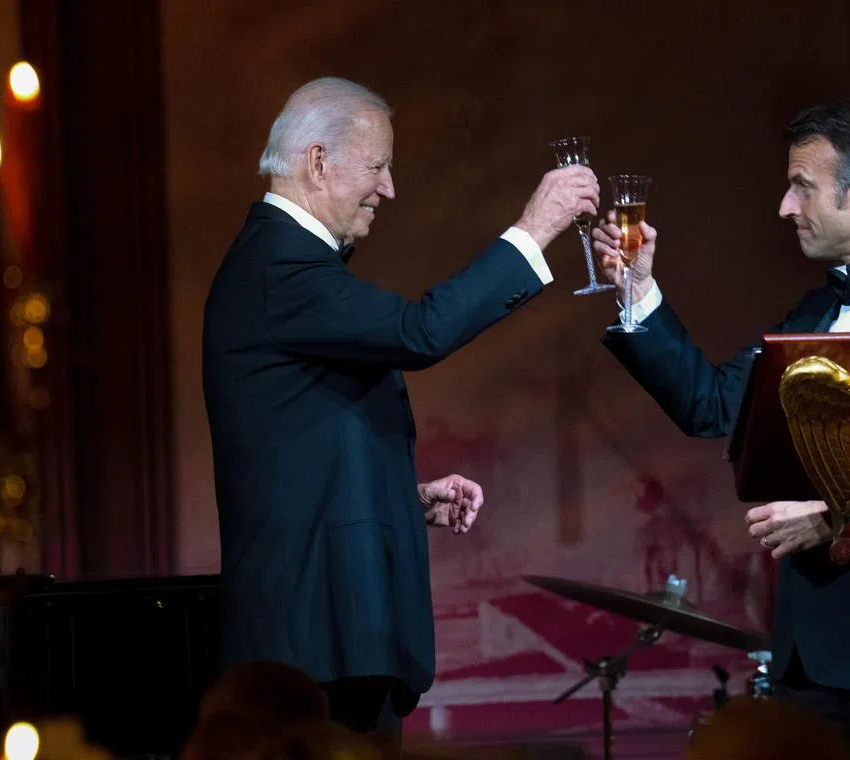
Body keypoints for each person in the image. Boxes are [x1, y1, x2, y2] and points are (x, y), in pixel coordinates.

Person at [591, 96, 850, 760]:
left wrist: (840, 520)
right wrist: (638, 292)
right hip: (806, 666)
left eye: (801, 186)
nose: (785, 208)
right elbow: (711, 405)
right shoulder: (815, 312)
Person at [202, 77, 598, 742]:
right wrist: (537, 228)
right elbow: (422, 332)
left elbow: (298, 447)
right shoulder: (279, 266)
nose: (388, 190)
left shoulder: (288, 267)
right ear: (319, 162)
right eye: (379, 167)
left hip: (327, 643)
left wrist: (400, 498)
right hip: (316, 645)